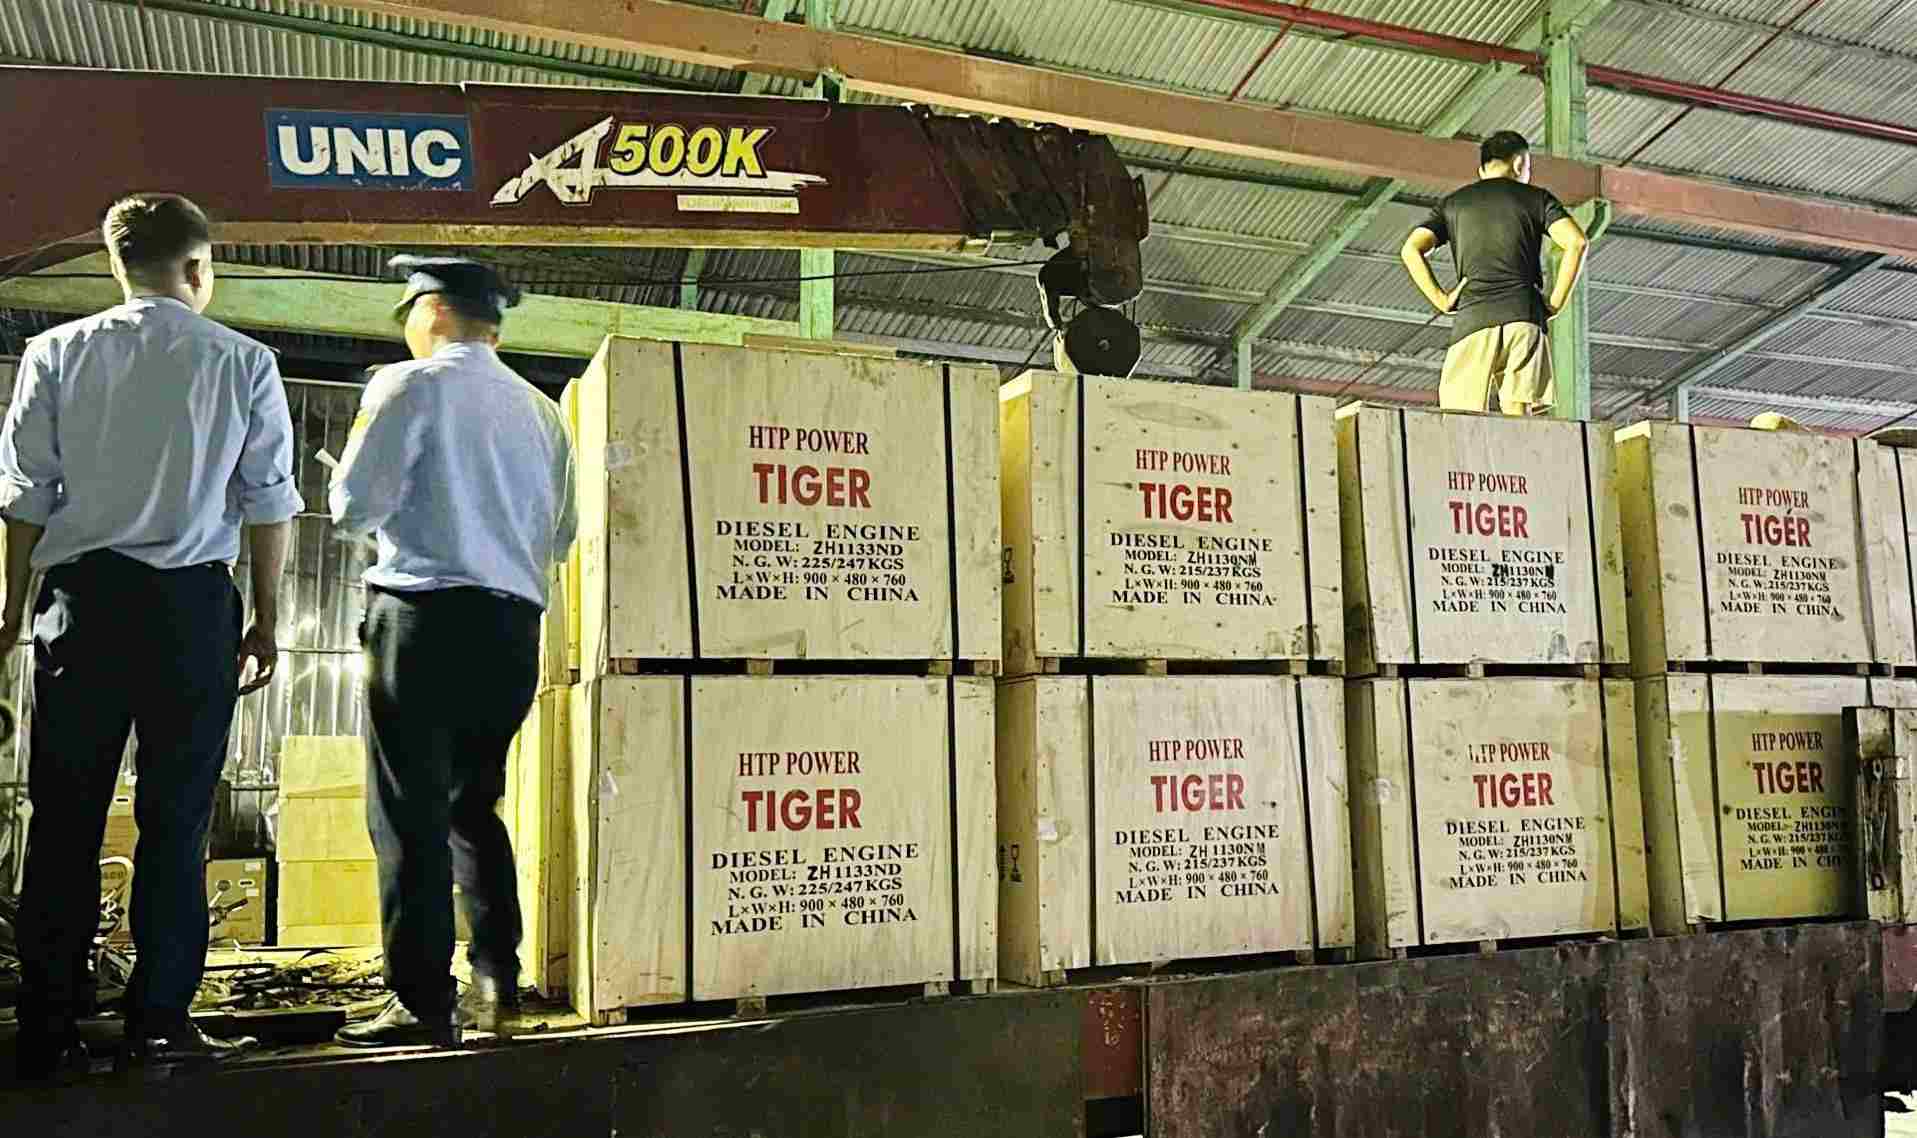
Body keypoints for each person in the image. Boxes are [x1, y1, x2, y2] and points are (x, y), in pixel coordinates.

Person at [1, 194, 299, 1078]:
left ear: (113, 263)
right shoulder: (244, 361)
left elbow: (23, 497)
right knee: (176, 822)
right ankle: (159, 1022)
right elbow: (270, 499)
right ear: (199, 268)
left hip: (82, 605)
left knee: (64, 820)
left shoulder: (57, 352)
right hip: (189, 613)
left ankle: (49, 1029)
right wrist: (269, 618)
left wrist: (11, 613)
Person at [329, 256, 575, 1048]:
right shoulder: (543, 413)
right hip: (511, 627)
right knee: (475, 806)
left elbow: (352, 505)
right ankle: (497, 980)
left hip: (423, 619)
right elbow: (562, 535)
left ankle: (421, 1001)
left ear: (427, 311)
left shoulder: (408, 385)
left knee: (409, 813)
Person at [1401, 130, 1590, 416]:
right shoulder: (1537, 198)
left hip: (1472, 319)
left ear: (1481, 169)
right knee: (1518, 416)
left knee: (1459, 417)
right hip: (1523, 315)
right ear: (1519, 163)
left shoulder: (1454, 203)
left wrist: (1440, 299)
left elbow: (1411, 249)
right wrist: (1555, 302)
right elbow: (1576, 242)